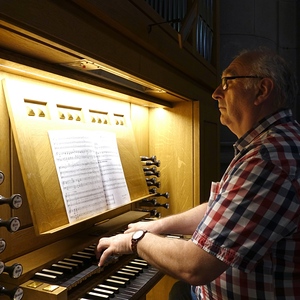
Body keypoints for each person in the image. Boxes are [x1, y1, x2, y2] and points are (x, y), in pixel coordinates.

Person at [96, 48, 300, 299]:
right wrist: (158, 225)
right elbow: (222, 208)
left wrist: (135, 241)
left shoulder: (267, 159)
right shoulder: (273, 143)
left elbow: (196, 266)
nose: (216, 93)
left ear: (262, 90)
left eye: (228, 82)